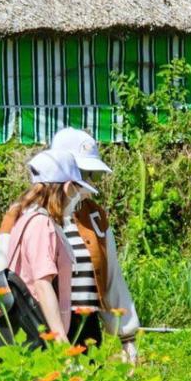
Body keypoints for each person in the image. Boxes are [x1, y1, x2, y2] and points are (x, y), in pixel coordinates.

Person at [43, 127, 140, 360]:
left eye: (92, 176)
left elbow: (111, 277)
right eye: (85, 175)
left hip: (86, 329)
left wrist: (127, 335)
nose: (88, 184)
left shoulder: (95, 217)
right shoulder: (31, 216)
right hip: (41, 331)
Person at [0, 149, 95, 340]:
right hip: (41, 334)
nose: (79, 196)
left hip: (33, 330)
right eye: (78, 189)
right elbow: (43, 284)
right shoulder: (41, 224)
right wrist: (60, 340)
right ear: (68, 187)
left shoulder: (26, 218)